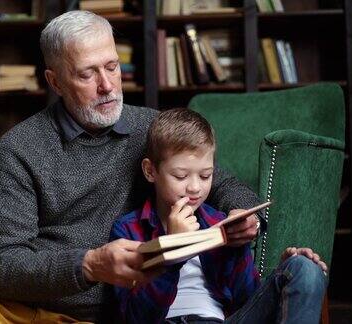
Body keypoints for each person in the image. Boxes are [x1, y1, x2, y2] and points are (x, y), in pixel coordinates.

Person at [0, 11, 263, 323]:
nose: (107, 86)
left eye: (112, 67)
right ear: (55, 81)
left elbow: (220, 181)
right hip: (5, 303)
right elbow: (2, 265)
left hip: (99, 314)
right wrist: (88, 266)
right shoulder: (20, 147)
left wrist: (241, 212)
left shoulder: (151, 128)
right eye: (87, 74)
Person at [110, 108, 328, 324]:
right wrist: (173, 250)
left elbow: (248, 300)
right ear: (150, 171)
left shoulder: (219, 225)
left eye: (205, 176)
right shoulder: (128, 230)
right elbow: (135, 317)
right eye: (181, 176)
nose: (195, 187)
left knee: (304, 268)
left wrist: (282, 278)